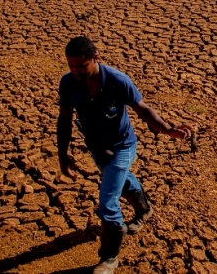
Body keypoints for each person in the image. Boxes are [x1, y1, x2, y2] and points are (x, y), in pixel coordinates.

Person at [57, 36, 192, 274]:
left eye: (81, 65)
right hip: (97, 147)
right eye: (71, 66)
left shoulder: (117, 81)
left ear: (95, 59)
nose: (76, 71)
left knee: (108, 202)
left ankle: (109, 258)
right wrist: (63, 154)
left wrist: (169, 130)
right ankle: (144, 210)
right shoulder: (68, 83)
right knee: (121, 179)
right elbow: (64, 118)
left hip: (122, 146)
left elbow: (143, 109)